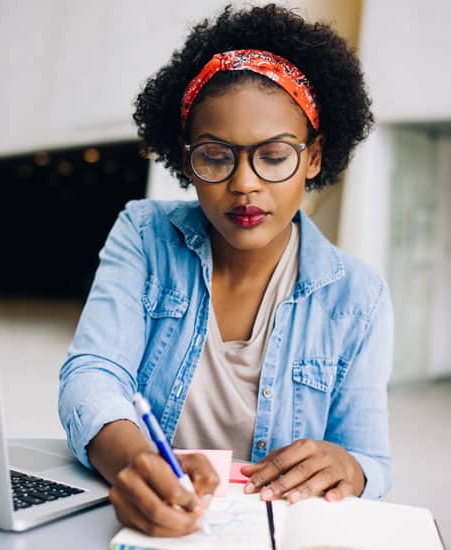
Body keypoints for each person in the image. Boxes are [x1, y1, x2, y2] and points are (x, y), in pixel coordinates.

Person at [58, 4, 391, 537]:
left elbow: (372, 461)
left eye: (274, 156)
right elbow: (93, 374)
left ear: (313, 156)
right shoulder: (145, 235)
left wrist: (350, 467)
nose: (244, 185)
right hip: (148, 532)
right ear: (185, 157)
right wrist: (137, 463)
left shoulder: (358, 296)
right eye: (216, 157)